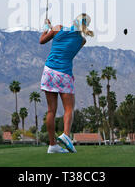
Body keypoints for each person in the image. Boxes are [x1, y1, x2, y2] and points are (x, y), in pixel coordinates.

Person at [39, 13, 94, 154]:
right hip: (64, 75)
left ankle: (52, 145)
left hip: (49, 72)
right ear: (85, 26)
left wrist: (46, 28)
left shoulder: (57, 28)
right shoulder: (82, 41)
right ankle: (66, 135)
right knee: (68, 109)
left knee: (51, 110)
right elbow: (68, 47)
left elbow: (42, 40)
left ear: (73, 20)